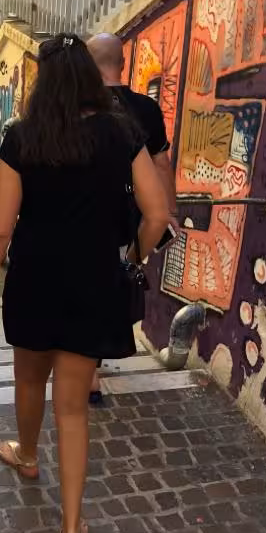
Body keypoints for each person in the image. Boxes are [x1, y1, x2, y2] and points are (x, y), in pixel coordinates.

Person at [0, 34, 169, 533]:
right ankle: (71, 527)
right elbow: (156, 214)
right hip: (94, 282)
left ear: (43, 79)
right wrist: (134, 257)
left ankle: (29, 456)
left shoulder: (21, 138)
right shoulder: (121, 133)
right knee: (74, 410)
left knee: (29, 378)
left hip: (34, 280)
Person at [86, 32, 178, 404]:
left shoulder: (83, 109)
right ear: (122, 64)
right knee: (120, 279)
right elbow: (161, 162)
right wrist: (169, 210)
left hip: (92, 217)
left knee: (92, 285)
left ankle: (89, 370)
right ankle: (98, 354)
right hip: (137, 220)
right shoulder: (148, 109)